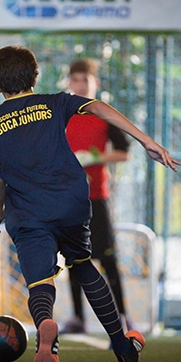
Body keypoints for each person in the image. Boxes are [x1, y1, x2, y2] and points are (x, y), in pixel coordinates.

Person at [0, 45, 181, 362]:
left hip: (29, 211)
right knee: (85, 264)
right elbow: (100, 108)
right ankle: (121, 345)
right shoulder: (55, 102)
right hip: (71, 201)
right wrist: (147, 140)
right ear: (35, 76)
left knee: (40, 282)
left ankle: (47, 324)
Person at [62, 58, 133, 334]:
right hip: (68, 198)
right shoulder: (61, 113)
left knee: (108, 258)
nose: (80, 85)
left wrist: (94, 158)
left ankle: (124, 316)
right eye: (76, 80)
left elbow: (124, 151)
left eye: (86, 80)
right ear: (69, 83)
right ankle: (79, 318)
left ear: (95, 83)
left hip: (97, 197)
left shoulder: (103, 113)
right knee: (74, 258)